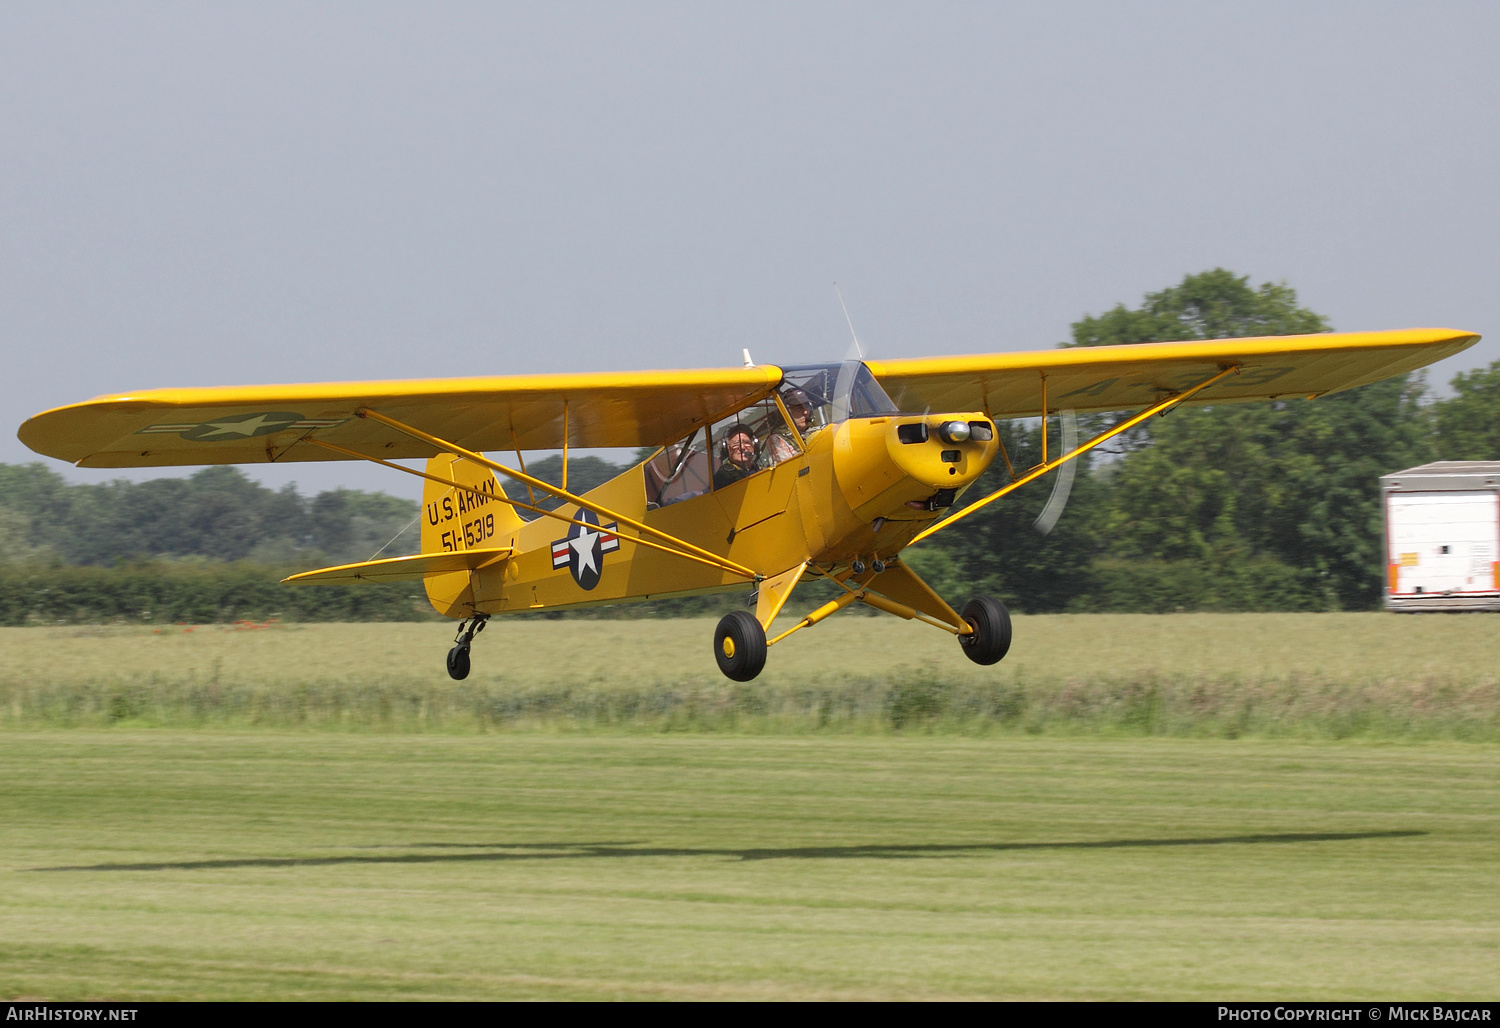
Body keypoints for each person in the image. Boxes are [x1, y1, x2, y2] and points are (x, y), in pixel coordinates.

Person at [766, 389, 815, 465]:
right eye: (799, 408)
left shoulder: (814, 429)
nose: (805, 412)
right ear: (786, 412)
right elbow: (791, 467)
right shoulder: (778, 438)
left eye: (806, 406)